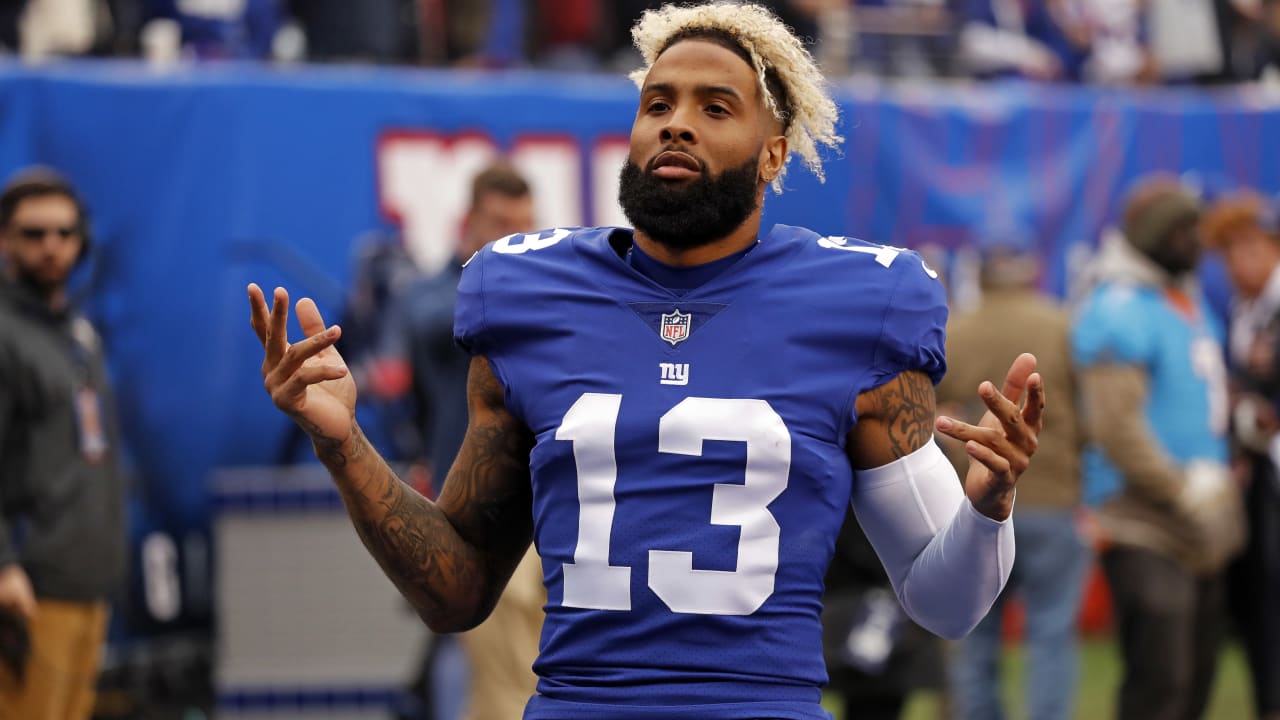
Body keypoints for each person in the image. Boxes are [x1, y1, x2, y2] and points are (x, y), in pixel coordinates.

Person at [248, 3, 1044, 718]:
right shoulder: (530, 294)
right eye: (656, 103)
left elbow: (947, 605)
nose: (676, 123)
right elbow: (454, 590)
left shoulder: (858, 304)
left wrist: (988, 508)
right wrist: (342, 444)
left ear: (772, 155)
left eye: (714, 106)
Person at [1072, 175, 1245, 720]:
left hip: (1201, 514)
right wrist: (1178, 486)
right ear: (1152, 234)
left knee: (1195, 678)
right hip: (1141, 516)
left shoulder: (1182, 300)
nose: (1196, 242)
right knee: (1160, 684)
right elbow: (1116, 426)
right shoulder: (1120, 306)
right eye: (1182, 230)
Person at [397, 162, 543, 720]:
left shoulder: (533, 294)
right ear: (469, 224)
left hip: (542, 514)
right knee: (483, 678)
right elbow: (439, 325)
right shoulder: (433, 299)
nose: (515, 241)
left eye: (525, 228)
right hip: (467, 514)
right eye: (501, 225)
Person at [939, 237, 1086, 720]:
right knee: (1050, 634)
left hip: (977, 504)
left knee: (975, 636)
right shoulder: (1061, 325)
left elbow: (931, 419)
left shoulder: (955, 329)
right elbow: (1089, 418)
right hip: (1052, 499)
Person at [0, 167, 126, 719]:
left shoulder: (75, 332)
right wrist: (3, 566)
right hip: (29, 591)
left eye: (64, 233)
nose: (51, 247)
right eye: (33, 234)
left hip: (88, 585)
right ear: (4, 239)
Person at [1200, 191, 1280, 720]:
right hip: (1257, 475)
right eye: (1229, 251)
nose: (1237, 262)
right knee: (1258, 602)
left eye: (1249, 247)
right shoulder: (1242, 309)